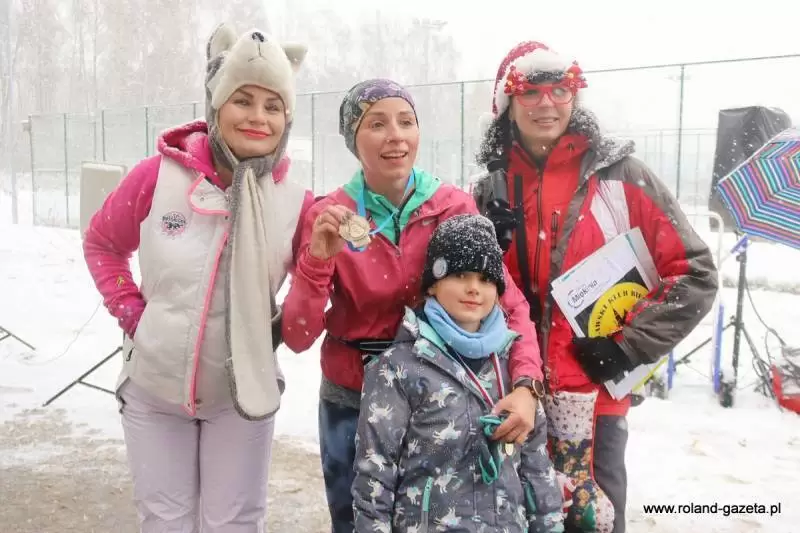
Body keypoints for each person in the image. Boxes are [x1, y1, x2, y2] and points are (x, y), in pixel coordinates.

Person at [281, 78, 548, 533]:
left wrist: (527, 384)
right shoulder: (331, 216)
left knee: (434, 520)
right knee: (357, 523)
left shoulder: (452, 207)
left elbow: (509, 303)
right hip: (352, 399)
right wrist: (318, 260)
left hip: (437, 401)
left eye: (406, 122)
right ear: (352, 139)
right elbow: (298, 334)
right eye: (377, 124)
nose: (396, 136)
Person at [472, 41, 719, 533]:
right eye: (531, 92)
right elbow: (466, 293)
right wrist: (487, 249)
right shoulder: (489, 190)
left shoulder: (623, 179)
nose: (546, 103)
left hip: (594, 405)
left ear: (575, 96)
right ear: (507, 104)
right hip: (511, 398)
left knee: (594, 522)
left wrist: (626, 346)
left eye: (559, 90)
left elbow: (695, 273)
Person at [82, 23, 311, 532]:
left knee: (233, 525)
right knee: (166, 523)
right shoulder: (157, 176)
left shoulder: (296, 202)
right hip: (155, 392)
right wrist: (133, 314)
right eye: (242, 100)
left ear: (287, 118)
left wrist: (316, 266)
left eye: (273, 105)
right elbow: (102, 243)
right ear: (216, 104)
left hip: (242, 400)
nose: (257, 117)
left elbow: (304, 321)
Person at [351, 214, 564, 533]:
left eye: (486, 279)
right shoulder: (398, 367)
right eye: (461, 275)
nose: (474, 289)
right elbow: (374, 474)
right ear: (433, 285)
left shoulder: (513, 369)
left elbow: (537, 471)